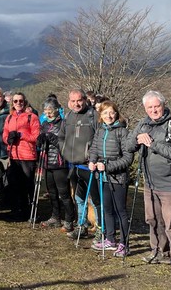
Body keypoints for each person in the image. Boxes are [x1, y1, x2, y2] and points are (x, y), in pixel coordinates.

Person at [126, 90, 171, 274]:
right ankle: (159, 253)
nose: (154, 110)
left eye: (157, 106)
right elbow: (129, 146)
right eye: (150, 107)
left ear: (163, 105)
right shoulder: (143, 123)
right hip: (150, 183)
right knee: (154, 220)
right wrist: (138, 139)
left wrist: (152, 144)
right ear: (145, 108)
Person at [88, 100, 133, 257]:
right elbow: (94, 148)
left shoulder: (122, 132)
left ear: (116, 114)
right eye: (105, 112)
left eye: (112, 112)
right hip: (102, 177)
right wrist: (92, 161)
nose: (109, 115)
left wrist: (108, 166)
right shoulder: (100, 130)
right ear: (100, 115)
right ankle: (110, 239)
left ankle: (124, 244)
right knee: (106, 209)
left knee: (120, 211)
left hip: (118, 178)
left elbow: (128, 158)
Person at [61, 89, 100, 240]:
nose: (76, 104)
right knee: (79, 198)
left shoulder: (93, 116)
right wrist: (64, 152)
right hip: (73, 165)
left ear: (84, 100)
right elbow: (61, 137)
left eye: (79, 100)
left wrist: (93, 157)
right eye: (73, 101)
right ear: (69, 102)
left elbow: (99, 137)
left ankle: (100, 230)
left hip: (89, 165)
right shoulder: (68, 116)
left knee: (96, 199)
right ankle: (82, 226)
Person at [37, 98, 75, 232]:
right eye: (46, 111)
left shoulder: (64, 124)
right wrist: (40, 140)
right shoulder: (45, 124)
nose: (48, 114)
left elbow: (67, 145)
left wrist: (54, 140)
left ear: (57, 110)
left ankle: (70, 219)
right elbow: (41, 143)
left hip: (60, 163)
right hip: (47, 162)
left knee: (64, 193)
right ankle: (55, 217)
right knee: (52, 193)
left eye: (50, 111)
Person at [2, 92, 40, 220]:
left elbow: (36, 137)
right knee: (16, 184)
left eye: (21, 101)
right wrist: (9, 139)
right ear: (12, 103)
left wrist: (22, 136)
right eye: (16, 101)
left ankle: (31, 211)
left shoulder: (32, 117)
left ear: (25, 102)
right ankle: (19, 210)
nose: (18, 103)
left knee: (28, 184)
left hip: (28, 156)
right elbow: (4, 135)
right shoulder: (9, 118)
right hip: (13, 155)